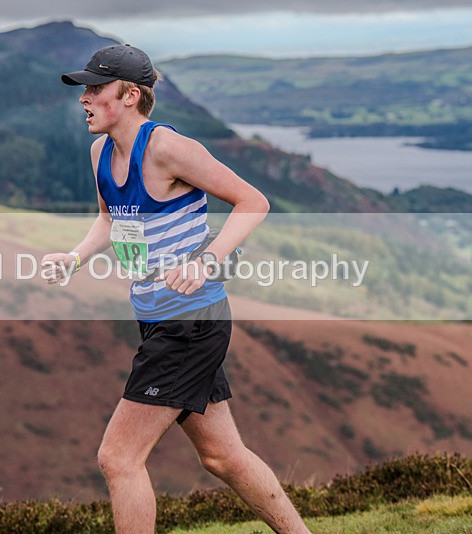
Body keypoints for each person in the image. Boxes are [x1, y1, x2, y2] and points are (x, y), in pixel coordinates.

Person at [41, 44, 310, 534]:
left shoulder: (167, 148)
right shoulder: (101, 152)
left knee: (118, 458)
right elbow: (110, 221)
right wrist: (74, 259)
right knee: (222, 456)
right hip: (157, 318)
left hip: (190, 322)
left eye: (95, 88)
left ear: (129, 95)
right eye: (85, 89)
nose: (84, 98)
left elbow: (253, 202)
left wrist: (206, 261)